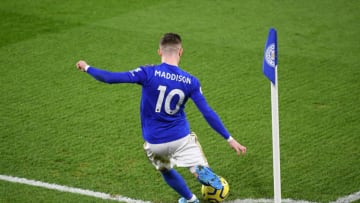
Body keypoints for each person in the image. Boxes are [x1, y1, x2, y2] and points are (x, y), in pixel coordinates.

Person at [76, 33, 246, 203]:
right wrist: (229, 138)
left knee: (165, 169)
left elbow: (110, 78)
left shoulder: (147, 72)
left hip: (155, 142)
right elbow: (207, 112)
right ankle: (197, 169)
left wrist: (87, 67)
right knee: (195, 161)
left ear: (159, 52)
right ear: (181, 52)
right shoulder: (191, 81)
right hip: (181, 139)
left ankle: (190, 199)